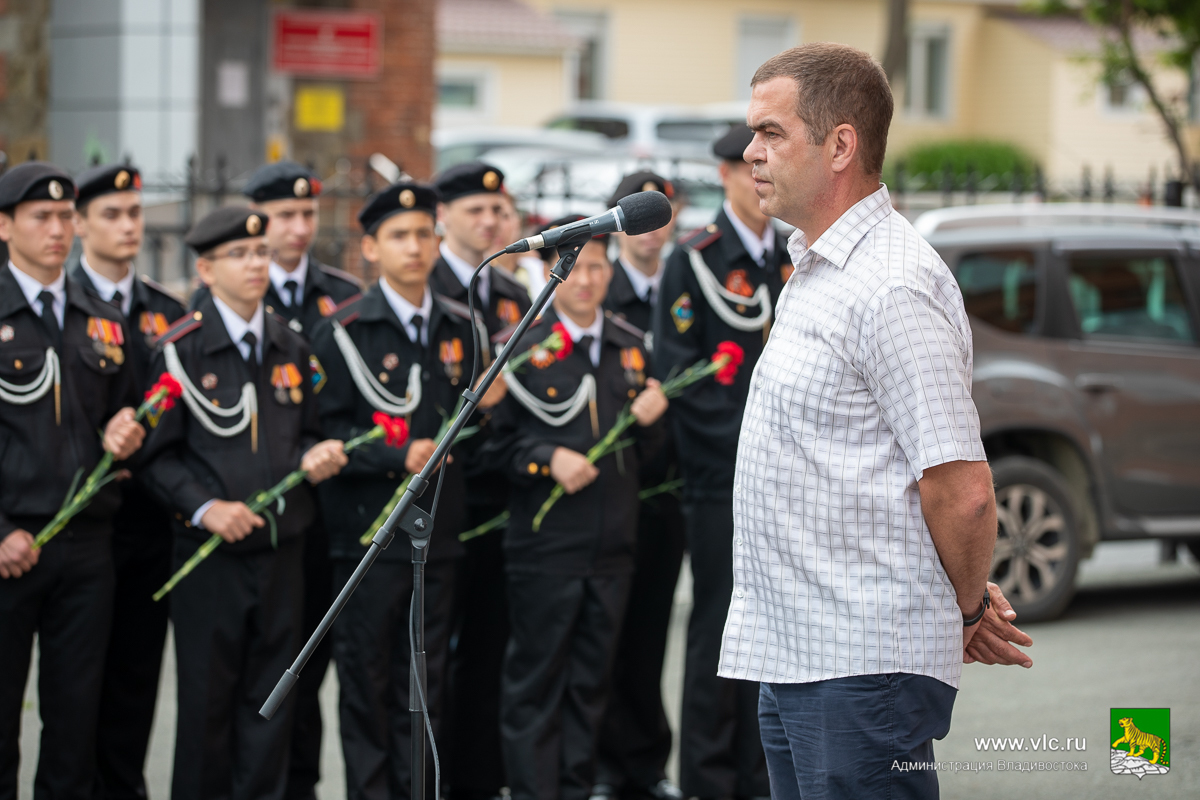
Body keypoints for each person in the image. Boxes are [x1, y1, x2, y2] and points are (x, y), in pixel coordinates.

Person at [722, 43, 1033, 799]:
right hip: (799, 651)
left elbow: (960, 486)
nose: (749, 152)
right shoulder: (821, 264)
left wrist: (965, 608)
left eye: (771, 133)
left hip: (860, 665)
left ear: (840, 145)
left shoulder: (893, 282)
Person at [139, 206, 348, 800]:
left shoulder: (291, 346)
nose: (256, 264)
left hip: (282, 550)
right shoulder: (180, 350)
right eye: (239, 255)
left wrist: (316, 453)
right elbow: (157, 457)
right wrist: (206, 509)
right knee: (207, 707)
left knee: (271, 704)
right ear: (204, 268)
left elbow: (306, 428)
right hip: (211, 557)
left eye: (261, 253)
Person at [310, 180, 503, 800]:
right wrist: (399, 455)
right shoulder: (343, 331)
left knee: (426, 687)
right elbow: (324, 432)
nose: (415, 247)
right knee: (367, 688)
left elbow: (474, 430)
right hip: (366, 537)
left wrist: (484, 416)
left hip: (437, 539)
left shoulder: (459, 326)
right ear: (369, 249)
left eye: (423, 233)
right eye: (398, 236)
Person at [482, 222, 668, 800]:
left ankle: (577, 784)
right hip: (547, 548)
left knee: (592, 681)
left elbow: (652, 462)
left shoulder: (631, 344)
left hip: (612, 544)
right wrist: (547, 458)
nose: (585, 280)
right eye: (574, 268)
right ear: (549, 274)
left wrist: (654, 421)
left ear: (610, 272)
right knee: (536, 682)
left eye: (596, 267)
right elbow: (492, 448)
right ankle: (534, 790)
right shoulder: (522, 349)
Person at [651, 123, 791, 800]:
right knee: (719, 624)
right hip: (721, 473)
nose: (757, 177)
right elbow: (681, 374)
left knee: (778, 626)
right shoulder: (697, 258)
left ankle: (761, 772)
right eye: (745, 167)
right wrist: (752, 441)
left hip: (792, 480)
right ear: (727, 175)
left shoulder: (794, 254)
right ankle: (708, 779)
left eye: (765, 164)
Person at [0, 162, 146, 800]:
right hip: (9, 545)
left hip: (87, 547)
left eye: (65, 217)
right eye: (41, 218)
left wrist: (127, 431)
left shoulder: (102, 317)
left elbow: (132, 407)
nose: (58, 229)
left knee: (74, 722)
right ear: (5, 227)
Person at [68, 162, 189, 800]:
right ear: (80, 223)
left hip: (148, 524)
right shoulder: (63, 307)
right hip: (83, 524)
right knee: (74, 688)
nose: (127, 226)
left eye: (135, 214)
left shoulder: (166, 312)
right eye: (111, 215)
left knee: (135, 683)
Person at [431, 161, 531, 800]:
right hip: (442, 497)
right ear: (444, 216)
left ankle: (479, 778)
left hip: (502, 495)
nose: (490, 221)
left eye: (498, 212)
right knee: (435, 655)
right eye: (475, 211)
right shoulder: (429, 283)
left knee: (492, 648)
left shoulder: (518, 297)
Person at [591, 172, 685, 800]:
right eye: (642, 220)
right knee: (606, 634)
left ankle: (648, 763)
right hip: (614, 487)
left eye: (662, 217)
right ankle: (604, 763)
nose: (654, 232)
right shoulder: (600, 286)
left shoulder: (685, 284)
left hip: (671, 485)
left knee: (651, 631)